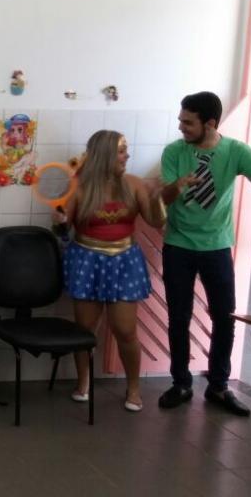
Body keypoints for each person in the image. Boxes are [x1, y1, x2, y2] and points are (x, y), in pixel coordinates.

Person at [158, 91, 251, 416]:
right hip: (178, 245)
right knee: (178, 317)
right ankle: (181, 383)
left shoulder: (236, 151)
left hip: (216, 246)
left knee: (224, 317)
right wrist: (178, 185)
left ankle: (218, 386)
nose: (181, 127)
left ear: (210, 123)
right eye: (181, 120)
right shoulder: (174, 151)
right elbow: (165, 198)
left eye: (188, 122)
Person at [53, 130, 165, 412]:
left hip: (124, 260)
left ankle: (134, 388)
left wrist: (160, 198)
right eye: (121, 151)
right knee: (84, 330)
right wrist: (60, 222)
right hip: (86, 259)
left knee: (126, 331)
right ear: (104, 155)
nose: (127, 156)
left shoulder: (134, 184)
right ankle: (83, 382)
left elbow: (155, 221)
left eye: (126, 150)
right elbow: (62, 232)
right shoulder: (78, 187)